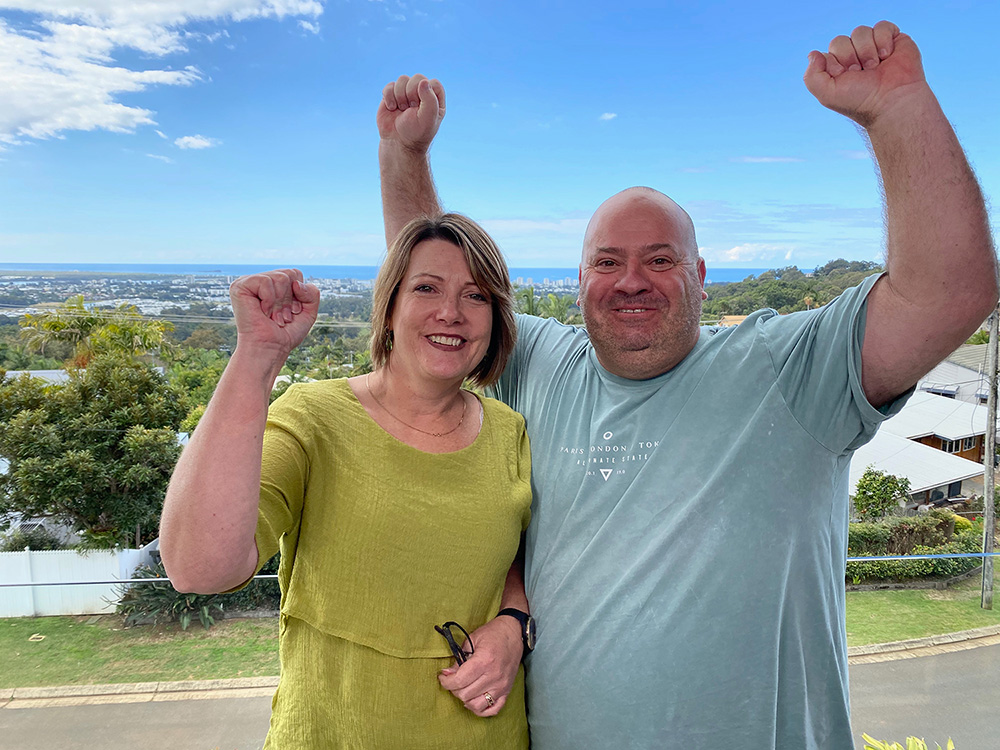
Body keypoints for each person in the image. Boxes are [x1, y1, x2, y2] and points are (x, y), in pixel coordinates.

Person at [377, 22, 998, 749]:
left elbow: (950, 292)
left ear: (701, 278)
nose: (630, 281)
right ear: (578, 282)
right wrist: (403, 155)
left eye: (660, 259)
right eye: (607, 262)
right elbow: (431, 291)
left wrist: (897, 113)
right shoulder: (543, 364)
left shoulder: (791, 369)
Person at [159, 214, 535, 749]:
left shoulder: (509, 431)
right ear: (388, 309)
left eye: (476, 296)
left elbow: (518, 553)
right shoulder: (313, 418)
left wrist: (513, 623)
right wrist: (257, 357)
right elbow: (199, 568)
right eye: (427, 287)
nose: (450, 312)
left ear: (496, 320)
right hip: (336, 734)